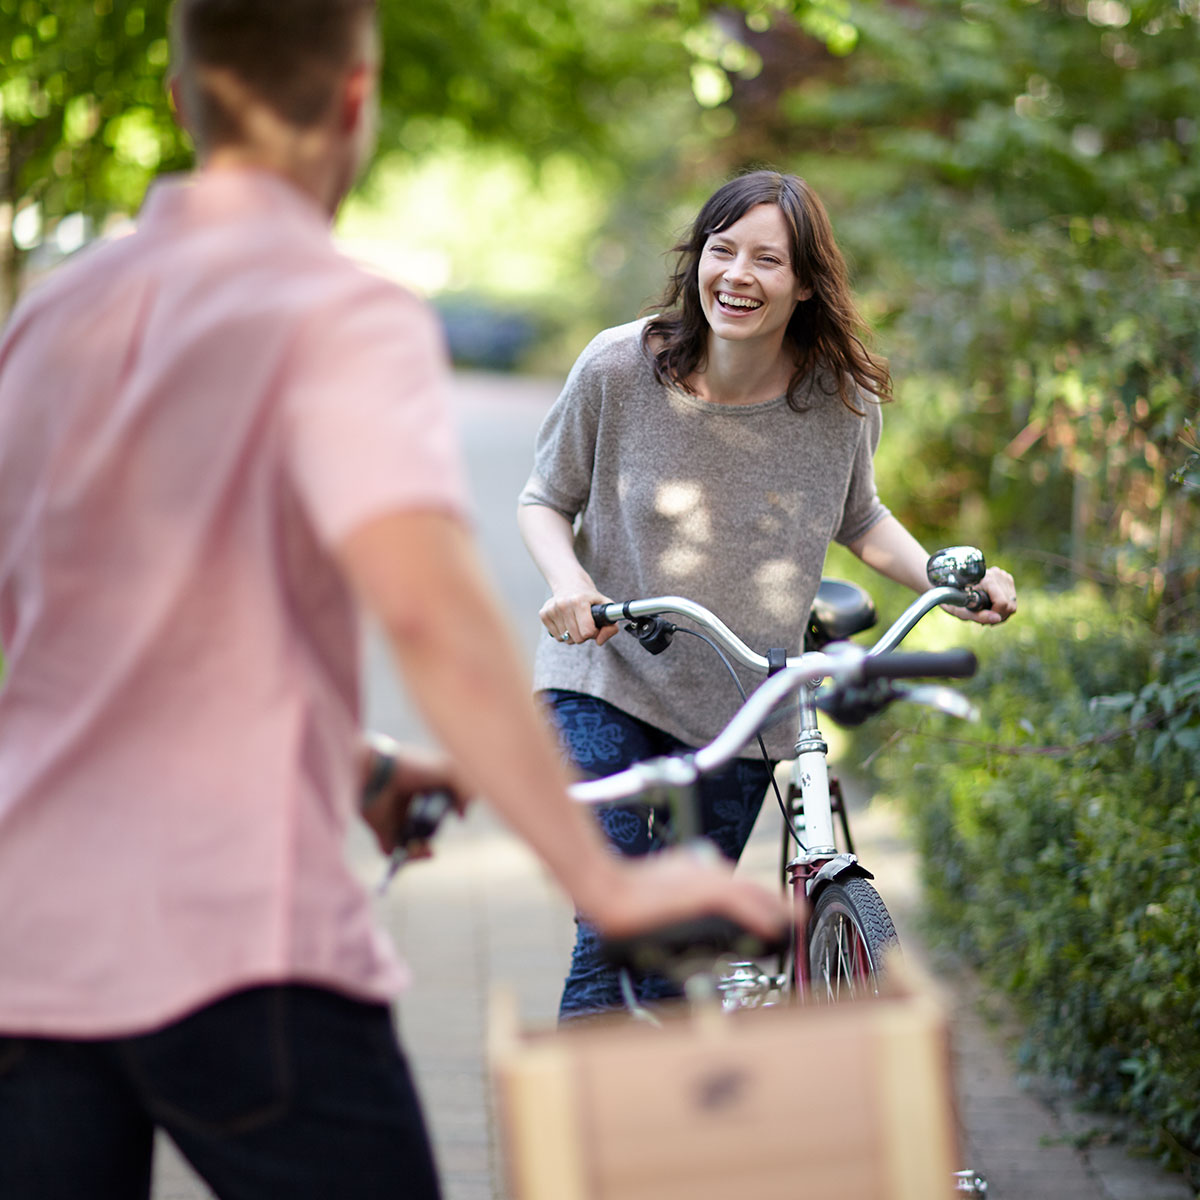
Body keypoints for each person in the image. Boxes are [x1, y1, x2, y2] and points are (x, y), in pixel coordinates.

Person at [0, 4, 787, 1198]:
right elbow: (429, 616)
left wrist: (358, 762)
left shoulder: (56, 313)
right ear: (357, 102)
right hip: (234, 942)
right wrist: (607, 882)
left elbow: (69, 639)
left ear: (177, 99)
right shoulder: (340, 312)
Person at [517, 170, 1018, 1021]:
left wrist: (944, 576)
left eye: (766, 260)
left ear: (806, 284)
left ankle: (669, 1135)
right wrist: (570, 585)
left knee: (679, 955)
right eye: (722, 251)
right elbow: (543, 498)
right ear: (697, 262)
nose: (737, 275)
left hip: (743, 708)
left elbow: (861, 518)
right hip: (602, 676)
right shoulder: (618, 367)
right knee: (613, 926)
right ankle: (585, 1142)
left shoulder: (839, 400)